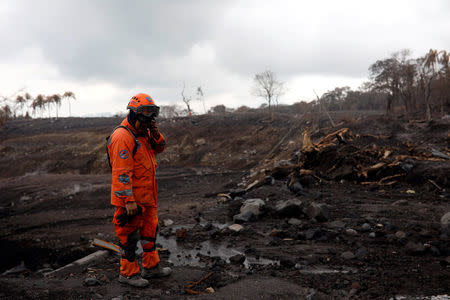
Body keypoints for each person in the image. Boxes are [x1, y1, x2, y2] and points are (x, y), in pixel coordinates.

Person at [107, 93, 171, 287]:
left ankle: (151, 268)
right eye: (145, 114)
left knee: (150, 232)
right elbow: (121, 172)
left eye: (153, 114)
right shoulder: (122, 136)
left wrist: (155, 133)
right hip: (131, 199)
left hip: (147, 197)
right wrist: (128, 200)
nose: (148, 119)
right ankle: (128, 274)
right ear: (133, 113)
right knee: (129, 236)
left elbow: (159, 148)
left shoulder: (143, 134)